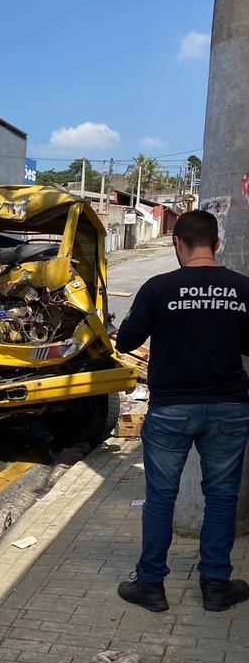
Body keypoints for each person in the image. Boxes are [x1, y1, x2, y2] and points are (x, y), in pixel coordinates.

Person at [115, 209, 249, 613]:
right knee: (223, 498)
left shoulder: (159, 288)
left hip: (172, 409)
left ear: (177, 242)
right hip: (229, 408)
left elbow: (126, 341)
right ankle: (215, 587)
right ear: (217, 243)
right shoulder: (243, 289)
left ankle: (151, 586)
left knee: (160, 499)